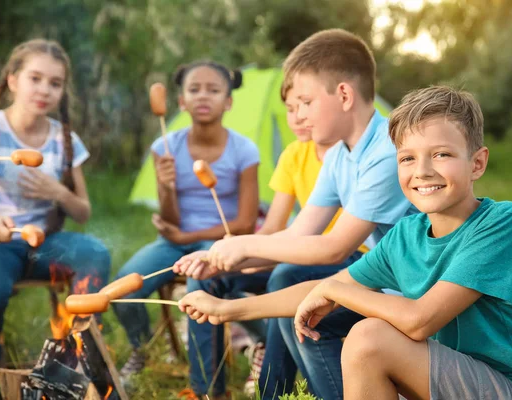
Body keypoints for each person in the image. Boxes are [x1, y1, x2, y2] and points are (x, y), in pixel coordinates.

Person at [185, 85, 512, 400]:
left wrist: (334, 289)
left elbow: (419, 320)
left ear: (477, 163)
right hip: (454, 376)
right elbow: (318, 290)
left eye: (441, 154)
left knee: (370, 338)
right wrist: (227, 310)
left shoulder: (501, 222)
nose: (422, 171)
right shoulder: (407, 236)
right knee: (365, 334)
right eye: (407, 158)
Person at [175, 29, 416, 399]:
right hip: (381, 281)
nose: (298, 116)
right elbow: (297, 234)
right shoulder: (340, 155)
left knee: (298, 293)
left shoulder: (386, 152)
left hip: (414, 294)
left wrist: (244, 243)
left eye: (305, 102)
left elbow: (334, 247)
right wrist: (223, 259)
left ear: (345, 95)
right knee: (294, 289)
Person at [112, 61, 260, 394]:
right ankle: (141, 349)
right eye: (194, 90)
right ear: (180, 102)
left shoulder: (244, 150)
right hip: (173, 241)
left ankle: (207, 389)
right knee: (123, 290)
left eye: (213, 89)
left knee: (198, 288)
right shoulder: (165, 147)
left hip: (218, 243)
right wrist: (165, 187)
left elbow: (246, 222)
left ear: (228, 101)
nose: (203, 96)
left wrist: (189, 238)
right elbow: (171, 220)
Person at [0, 39, 111, 374]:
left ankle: (76, 362)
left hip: (47, 243)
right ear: (13, 80)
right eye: (35, 78)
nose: (45, 89)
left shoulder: (65, 141)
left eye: (55, 83)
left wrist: (58, 191)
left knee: (94, 253)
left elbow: (83, 212)